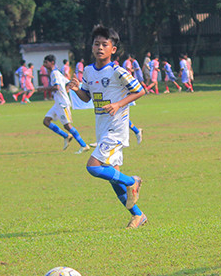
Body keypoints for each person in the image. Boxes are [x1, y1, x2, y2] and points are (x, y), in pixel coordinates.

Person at [68, 25, 148, 229]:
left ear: (113, 49)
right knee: (114, 178)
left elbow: (140, 90)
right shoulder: (87, 71)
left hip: (116, 129)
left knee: (93, 167)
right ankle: (138, 216)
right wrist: (77, 90)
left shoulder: (117, 71)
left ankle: (133, 181)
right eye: (96, 44)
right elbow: (87, 97)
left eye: (105, 44)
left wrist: (119, 104)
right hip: (102, 128)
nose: (100, 48)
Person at [42, 54, 90, 153]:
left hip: (62, 103)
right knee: (46, 121)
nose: (44, 64)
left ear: (51, 63)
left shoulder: (55, 73)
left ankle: (84, 145)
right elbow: (67, 84)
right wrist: (68, 87)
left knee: (67, 125)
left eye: (46, 62)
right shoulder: (57, 73)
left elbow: (57, 87)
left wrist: (43, 89)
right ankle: (66, 136)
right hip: (57, 103)